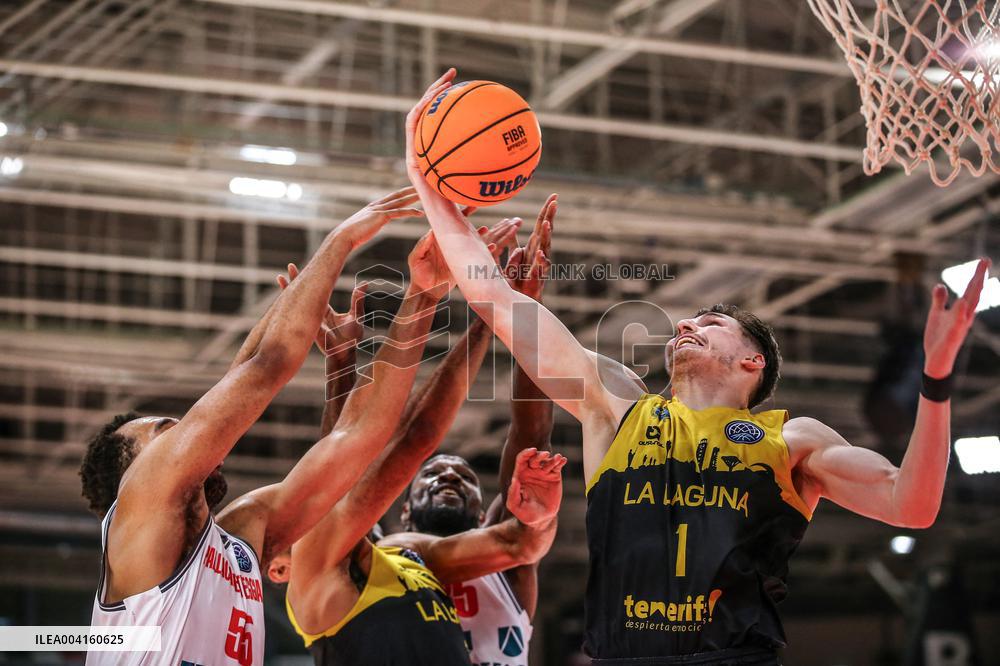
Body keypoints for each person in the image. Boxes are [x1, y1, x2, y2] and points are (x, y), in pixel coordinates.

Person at [404, 69, 994, 665]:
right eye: (687, 320)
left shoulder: (791, 442)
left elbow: (911, 506)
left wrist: (936, 378)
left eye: (710, 322)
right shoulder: (614, 405)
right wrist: (428, 187)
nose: (686, 324)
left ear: (751, 359)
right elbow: (499, 302)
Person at [79, 188, 431, 666]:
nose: (185, 430)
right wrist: (341, 241)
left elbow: (360, 437)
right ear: (134, 473)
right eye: (165, 431)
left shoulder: (244, 532)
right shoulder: (141, 500)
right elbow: (266, 365)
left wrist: (424, 294)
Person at [267, 222, 564, 666]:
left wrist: (513, 310)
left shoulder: (417, 560)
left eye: (463, 476)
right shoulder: (364, 558)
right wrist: (492, 310)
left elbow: (524, 539)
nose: (447, 475)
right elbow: (367, 462)